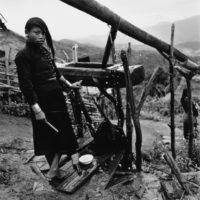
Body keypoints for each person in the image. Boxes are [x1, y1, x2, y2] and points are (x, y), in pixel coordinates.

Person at [15, 17, 82, 180]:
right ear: (27, 33)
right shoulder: (23, 56)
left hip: (56, 99)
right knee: (49, 135)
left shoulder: (44, 51)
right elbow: (26, 84)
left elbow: (56, 74)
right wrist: (36, 109)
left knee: (61, 133)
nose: (41, 36)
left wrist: (69, 85)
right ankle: (53, 171)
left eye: (43, 33)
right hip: (43, 102)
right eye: (37, 33)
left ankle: (54, 170)